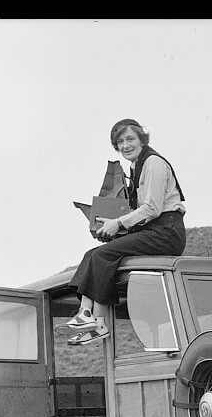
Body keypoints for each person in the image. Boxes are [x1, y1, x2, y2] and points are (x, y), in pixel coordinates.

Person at [66, 118, 187, 345]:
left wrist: (118, 224)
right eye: (120, 141)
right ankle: (89, 317)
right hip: (153, 229)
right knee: (93, 254)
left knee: (103, 255)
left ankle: (95, 322)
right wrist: (110, 223)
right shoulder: (136, 166)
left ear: (142, 139)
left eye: (130, 139)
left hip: (166, 231)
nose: (125, 145)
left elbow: (152, 207)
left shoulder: (153, 163)